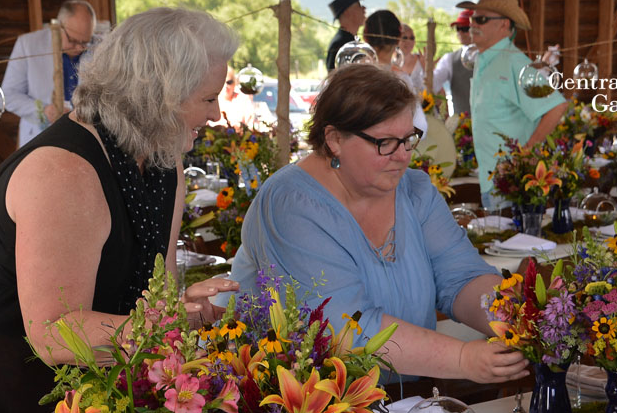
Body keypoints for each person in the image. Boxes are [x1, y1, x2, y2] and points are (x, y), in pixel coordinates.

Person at [0, 7, 240, 413]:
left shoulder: (162, 157)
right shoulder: (63, 171)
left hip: (73, 404)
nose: (217, 115)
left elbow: (155, 288)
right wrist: (171, 322)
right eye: (208, 98)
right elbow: (55, 333)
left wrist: (185, 306)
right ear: (159, 95)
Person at [226, 63, 529, 386]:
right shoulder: (290, 206)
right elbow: (345, 330)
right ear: (334, 139)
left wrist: (524, 322)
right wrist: (461, 359)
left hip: (405, 403)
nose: (402, 156)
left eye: (408, 139)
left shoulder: (415, 191)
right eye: (384, 142)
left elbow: (461, 278)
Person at [458, 0, 568, 209]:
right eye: (472, 18)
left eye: (481, 19)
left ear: (504, 24)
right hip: (492, 181)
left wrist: (525, 152)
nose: (473, 24)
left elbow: (556, 106)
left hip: (511, 184)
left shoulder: (515, 62)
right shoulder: (483, 59)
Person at [2, 0, 97, 147]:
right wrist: (43, 110)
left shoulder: (100, 47)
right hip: (40, 138)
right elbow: (8, 95)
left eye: (85, 42)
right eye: (72, 40)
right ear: (58, 26)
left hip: (85, 139)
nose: (78, 48)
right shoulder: (28, 44)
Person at [363, 10, 427, 136]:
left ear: (365, 38)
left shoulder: (350, 75)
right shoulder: (401, 80)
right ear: (398, 38)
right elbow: (420, 128)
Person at [431, 10, 474, 116]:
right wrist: (426, 69)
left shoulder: (492, 58)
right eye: (458, 29)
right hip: (462, 128)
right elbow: (433, 84)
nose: (460, 33)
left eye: (464, 29)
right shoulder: (449, 59)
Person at [325, 0, 367, 72]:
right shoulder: (340, 44)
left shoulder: (348, 40)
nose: (364, 8)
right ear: (348, 12)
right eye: (359, 6)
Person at [399, 23, 425, 94]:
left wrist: (426, 68)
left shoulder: (422, 59)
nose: (409, 41)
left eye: (412, 38)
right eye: (404, 38)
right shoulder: (391, 62)